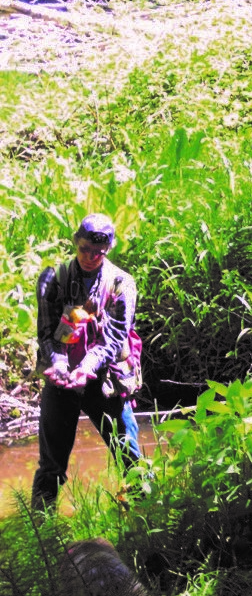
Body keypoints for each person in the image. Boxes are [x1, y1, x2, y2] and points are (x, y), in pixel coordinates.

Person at [33, 213, 141, 511]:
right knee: (50, 467)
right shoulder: (52, 279)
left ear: (110, 248)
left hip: (105, 379)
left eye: (99, 252)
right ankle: (41, 534)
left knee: (131, 458)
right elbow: (46, 332)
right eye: (84, 250)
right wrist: (57, 364)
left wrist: (85, 368)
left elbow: (114, 339)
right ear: (75, 242)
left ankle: (146, 523)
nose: (91, 257)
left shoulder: (122, 285)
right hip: (61, 381)